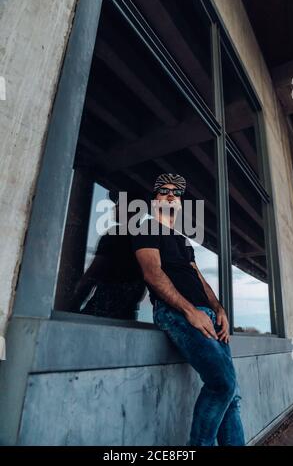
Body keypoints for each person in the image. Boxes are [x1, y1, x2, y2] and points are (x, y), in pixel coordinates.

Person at [131, 173, 245, 446]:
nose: (171, 195)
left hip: (207, 316)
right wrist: (190, 311)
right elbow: (152, 273)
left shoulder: (181, 241)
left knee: (232, 396)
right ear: (155, 199)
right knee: (223, 385)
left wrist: (219, 309)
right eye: (164, 191)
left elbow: (199, 278)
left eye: (176, 192)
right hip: (178, 313)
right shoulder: (146, 227)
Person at [69, 191, 146, 319]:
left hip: (103, 310)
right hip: (127, 315)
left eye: (118, 204)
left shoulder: (115, 235)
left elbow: (92, 275)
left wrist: (71, 307)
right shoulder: (146, 240)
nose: (114, 208)